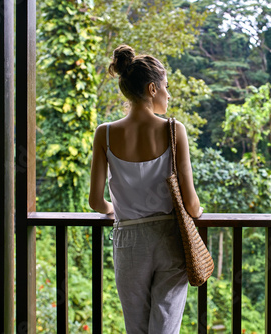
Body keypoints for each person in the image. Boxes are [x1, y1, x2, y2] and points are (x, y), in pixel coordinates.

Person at [88, 44, 203, 333]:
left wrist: (113, 208)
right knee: (165, 325)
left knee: (136, 327)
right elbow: (191, 205)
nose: (168, 94)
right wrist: (199, 210)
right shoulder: (174, 130)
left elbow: (95, 201)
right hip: (169, 237)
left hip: (128, 239)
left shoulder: (105, 133)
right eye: (166, 87)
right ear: (152, 88)